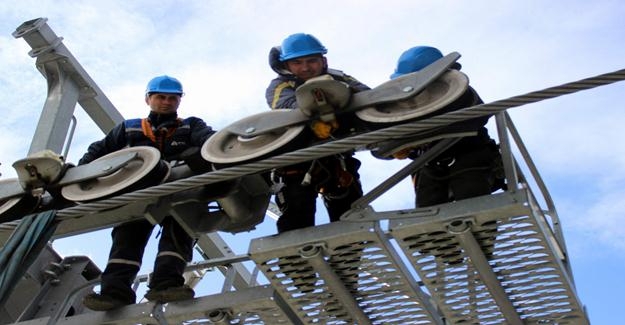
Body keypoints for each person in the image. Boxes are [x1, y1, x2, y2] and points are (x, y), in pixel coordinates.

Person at [81, 75, 216, 311]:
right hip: (139, 194)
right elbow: (97, 152)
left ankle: (166, 285)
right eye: (160, 97)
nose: (166, 102)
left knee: (179, 233)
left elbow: (210, 141)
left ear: (179, 101)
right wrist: (78, 177)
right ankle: (114, 293)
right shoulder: (128, 129)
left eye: (172, 98)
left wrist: (203, 154)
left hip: (180, 190)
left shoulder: (191, 126)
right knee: (126, 240)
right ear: (148, 99)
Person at [265, 33, 370, 233]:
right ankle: (296, 260)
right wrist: (317, 118)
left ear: (323, 60)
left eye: (311, 61)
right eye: (297, 62)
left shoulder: (340, 78)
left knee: (351, 215)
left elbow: (368, 98)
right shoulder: (280, 86)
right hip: (296, 161)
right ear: (286, 64)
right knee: (297, 214)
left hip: (337, 158)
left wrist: (341, 101)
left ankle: (349, 257)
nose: (305, 68)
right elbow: (286, 108)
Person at [389, 46, 504, 208]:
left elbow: (478, 116)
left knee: (471, 202)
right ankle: (432, 233)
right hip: (431, 166)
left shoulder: (460, 94)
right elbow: (381, 144)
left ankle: (481, 228)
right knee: (429, 214)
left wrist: (418, 137)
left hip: (470, 157)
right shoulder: (406, 108)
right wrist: (398, 147)